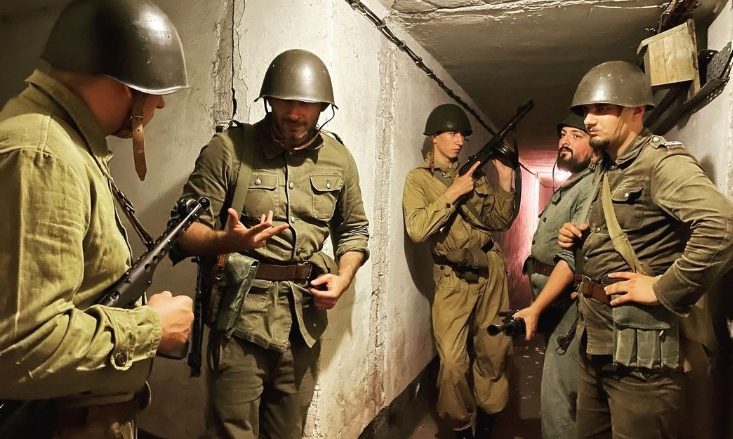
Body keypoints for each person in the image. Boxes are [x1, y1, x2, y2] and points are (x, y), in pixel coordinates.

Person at [0, 0, 194, 437]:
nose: (161, 104)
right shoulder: (43, 155)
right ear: (126, 87)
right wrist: (152, 328)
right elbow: (21, 347)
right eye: (155, 90)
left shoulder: (60, 143)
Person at [173, 49, 370, 439]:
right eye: (285, 102)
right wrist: (224, 240)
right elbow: (183, 231)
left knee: (288, 431)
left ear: (323, 107)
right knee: (231, 432)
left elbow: (353, 230)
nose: (295, 113)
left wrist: (343, 279)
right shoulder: (229, 148)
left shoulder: (339, 159)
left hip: (303, 323)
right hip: (240, 321)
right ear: (269, 100)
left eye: (306, 104)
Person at [557, 60, 733, 438]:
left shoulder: (659, 162)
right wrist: (582, 239)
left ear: (636, 111)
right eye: (587, 110)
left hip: (641, 357)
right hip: (597, 341)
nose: (589, 119)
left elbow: (722, 227)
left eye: (602, 109)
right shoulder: (608, 167)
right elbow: (632, 233)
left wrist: (662, 288)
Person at [402, 103, 518, 439]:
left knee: (493, 350)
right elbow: (417, 229)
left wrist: (505, 180)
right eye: (452, 133)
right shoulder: (418, 180)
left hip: (490, 270)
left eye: (462, 135)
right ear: (434, 137)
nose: (459, 141)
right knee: (452, 361)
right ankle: (461, 424)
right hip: (452, 277)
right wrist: (452, 194)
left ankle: (489, 416)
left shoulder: (475, 175)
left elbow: (499, 220)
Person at [514, 112, 595, 439]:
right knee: (566, 389)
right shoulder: (573, 183)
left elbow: (572, 258)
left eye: (576, 135)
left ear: (595, 143)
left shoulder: (590, 185)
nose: (565, 141)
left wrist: (535, 308)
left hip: (571, 303)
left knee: (558, 396)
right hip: (556, 302)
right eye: (563, 134)